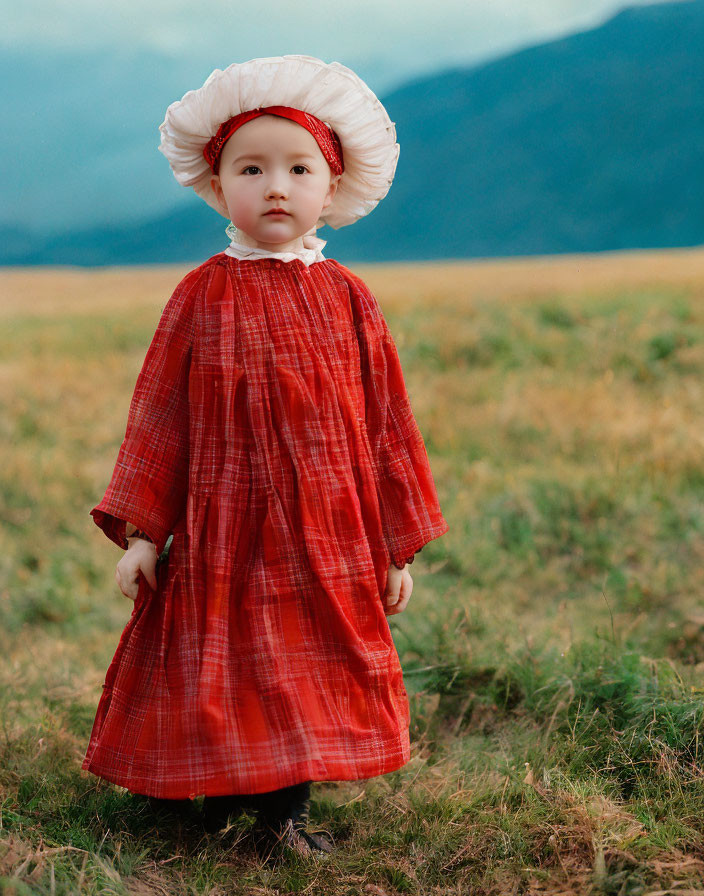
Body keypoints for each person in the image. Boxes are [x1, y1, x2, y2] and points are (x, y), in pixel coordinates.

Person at [82, 55, 449, 860]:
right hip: (223, 536)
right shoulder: (200, 295)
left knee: (305, 665)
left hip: (326, 538)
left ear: (331, 185)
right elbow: (161, 419)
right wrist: (145, 534)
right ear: (219, 188)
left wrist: (393, 544)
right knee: (222, 664)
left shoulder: (349, 298)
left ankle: (283, 814)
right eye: (252, 169)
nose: (275, 186)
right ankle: (202, 793)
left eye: (297, 167)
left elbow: (385, 425)